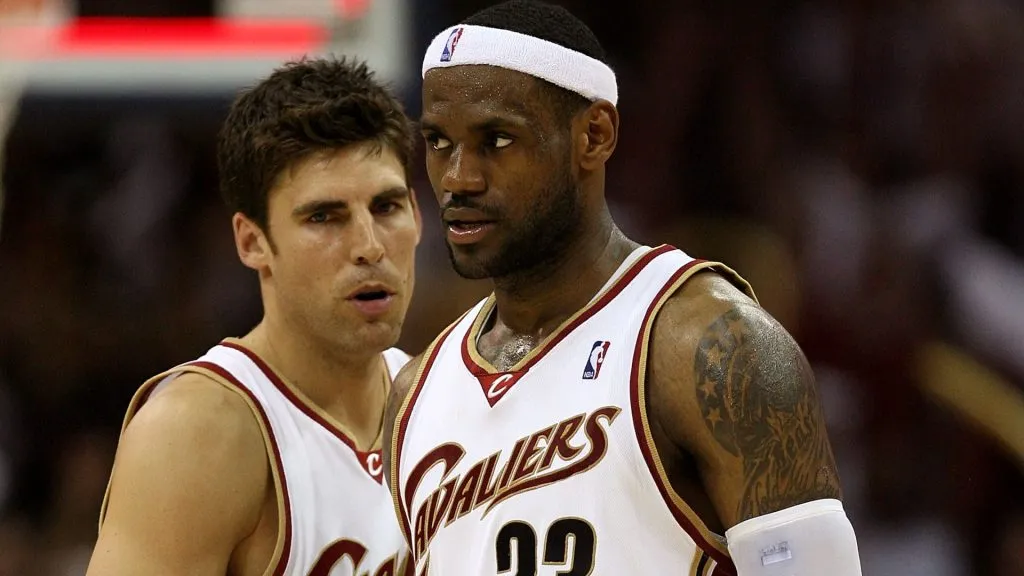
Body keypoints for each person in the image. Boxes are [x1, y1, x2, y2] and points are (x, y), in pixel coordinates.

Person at [384, 2, 862, 575]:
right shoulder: (414, 396)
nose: (459, 177)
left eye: (497, 141)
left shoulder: (712, 348)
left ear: (594, 135)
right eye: (438, 143)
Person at [87, 57, 421, 576]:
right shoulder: (198, 429)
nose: (369, 246)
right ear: (253, 241)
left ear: (418, 216)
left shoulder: (441, 399)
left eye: (386, 207)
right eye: (323, 217)